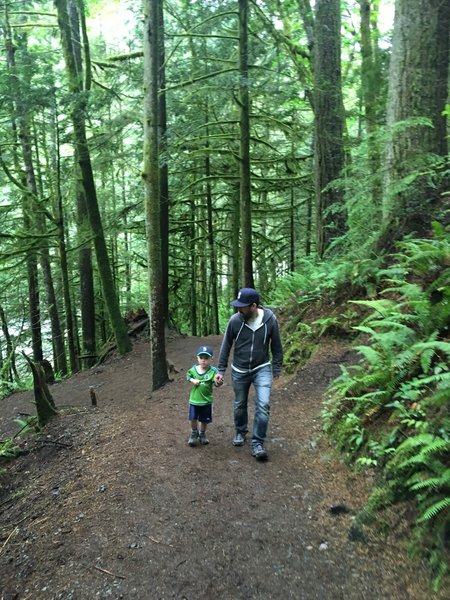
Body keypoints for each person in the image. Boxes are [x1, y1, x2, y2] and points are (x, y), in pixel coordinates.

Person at [216, 287, 283, 461]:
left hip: (262, 368)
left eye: (242, 306)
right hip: (239, 369)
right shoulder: (234, 321)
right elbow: (226, 346)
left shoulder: (270, 320)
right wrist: (221, 370)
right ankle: (240, 430)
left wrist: (276, 367)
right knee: (239, 404)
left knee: (263, 404)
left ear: (253, 306)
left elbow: (276, 346)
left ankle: (257, 443)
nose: (239, 309)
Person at [186, 345, 222, 447]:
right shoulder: (193, 369)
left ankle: (202, 433)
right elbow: (188, 376)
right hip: (194, 400)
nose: (203, 360)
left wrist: (218, 382)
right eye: (201, 358)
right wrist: (193, 380)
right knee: (193, 418)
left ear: (211, 359)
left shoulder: (213, 371)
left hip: (206, 401)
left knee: (204, 419)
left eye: (206, 358)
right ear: (197, 358)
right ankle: (194, 433)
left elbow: (216, 382)